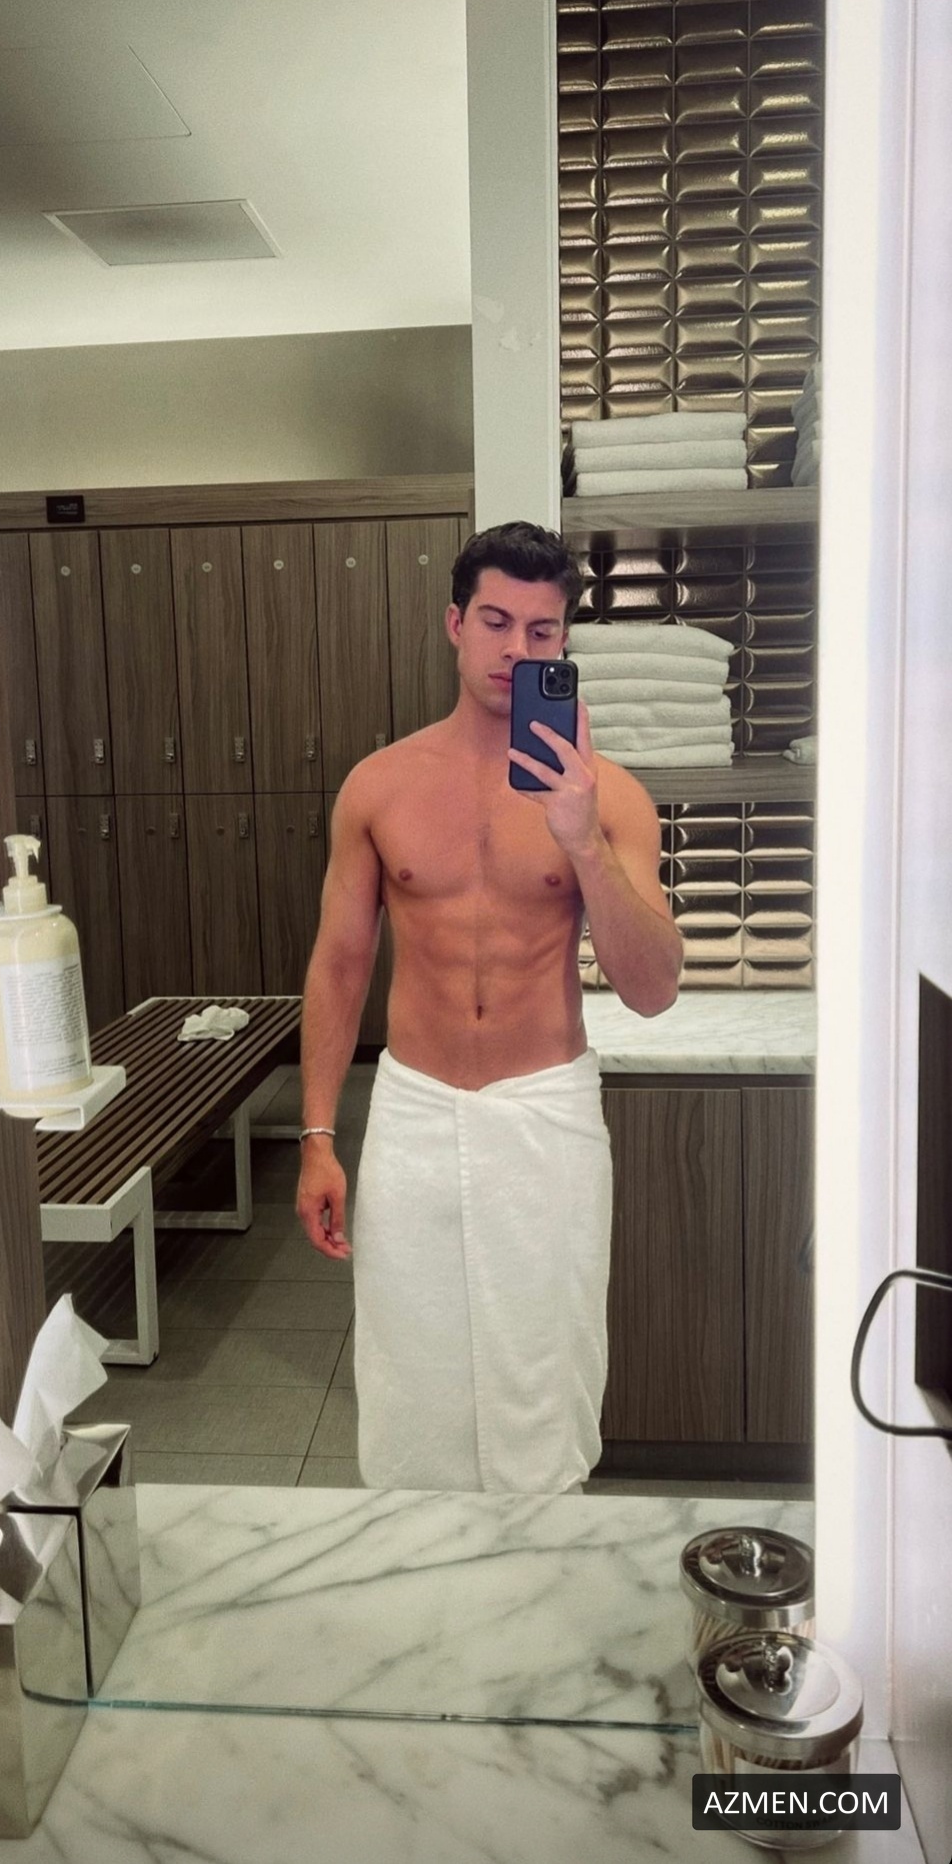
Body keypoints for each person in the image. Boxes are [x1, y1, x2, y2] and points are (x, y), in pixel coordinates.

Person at [295, 521, 683, 1493]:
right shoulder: (379, 787)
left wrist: (580, 840)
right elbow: (339, 967)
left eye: (541, 631)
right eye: (497, 622)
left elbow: (652, 988)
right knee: (410, 1367)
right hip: (415, 1109)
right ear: (455, 624)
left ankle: (539, 1567)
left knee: (546, 1367)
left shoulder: (611, 799)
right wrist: (316, 1137)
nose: (516, 648)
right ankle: (423, 1572)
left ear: (563, 642)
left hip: (545, 1112)